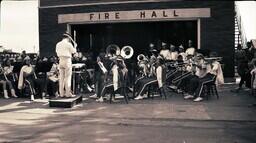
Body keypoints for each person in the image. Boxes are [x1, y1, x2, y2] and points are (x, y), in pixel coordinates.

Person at [56, 33, 77, 98]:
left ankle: (61, 93)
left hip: (60, 60)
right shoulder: (68, 44)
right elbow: (74, 52)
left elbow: (57, 52)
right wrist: (75, 46)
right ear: (68, 38)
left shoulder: (58, 44)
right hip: (67, 60)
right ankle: (68, 93)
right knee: (68, 77)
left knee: (61, 78)